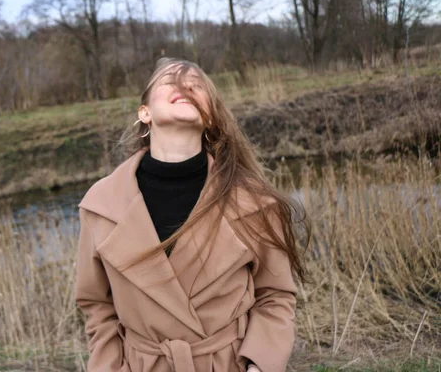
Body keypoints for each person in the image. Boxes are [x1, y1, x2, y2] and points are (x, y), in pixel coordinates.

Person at [75, 57, 309, 372]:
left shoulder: (254, 201)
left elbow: (275, 295)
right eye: (170, 81)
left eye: (196, 85)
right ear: (144, 112)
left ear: (210, 116)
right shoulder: (100, 205)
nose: (184, 86)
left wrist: (260, 366)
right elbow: (97, 307)